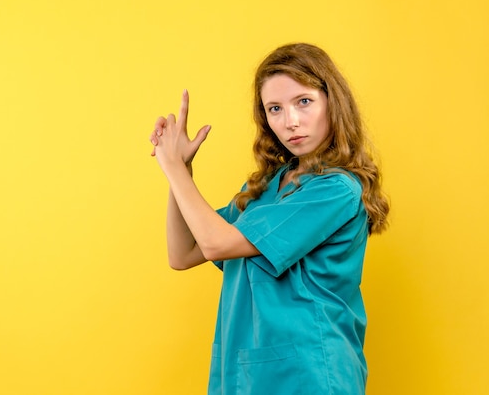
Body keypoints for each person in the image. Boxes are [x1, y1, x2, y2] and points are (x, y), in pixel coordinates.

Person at [148, 43, 389, 395]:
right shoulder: (268, 186)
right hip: (250, 375)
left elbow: (217, 244)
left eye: (303, 101)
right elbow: (183, 253)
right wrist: (180, 169)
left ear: (331, 103)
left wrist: (173, 167)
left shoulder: (336, 189)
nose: (289, 121)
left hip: (310, 376)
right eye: (274, 108)